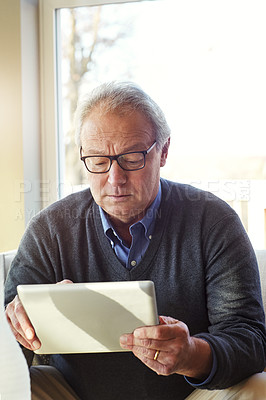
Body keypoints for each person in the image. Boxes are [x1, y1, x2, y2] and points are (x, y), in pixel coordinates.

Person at [4, 81, 266, 400]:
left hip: (189, 395)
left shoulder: (213, 221)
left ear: (164, 151)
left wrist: (192, 354)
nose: (115, 179)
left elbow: (250, 340)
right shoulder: (50, 229)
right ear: (83, 156)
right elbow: (8, 350)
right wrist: (16, 327)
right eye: (99, 161)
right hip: (73, 394)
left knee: (258, 388)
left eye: (131, 158)